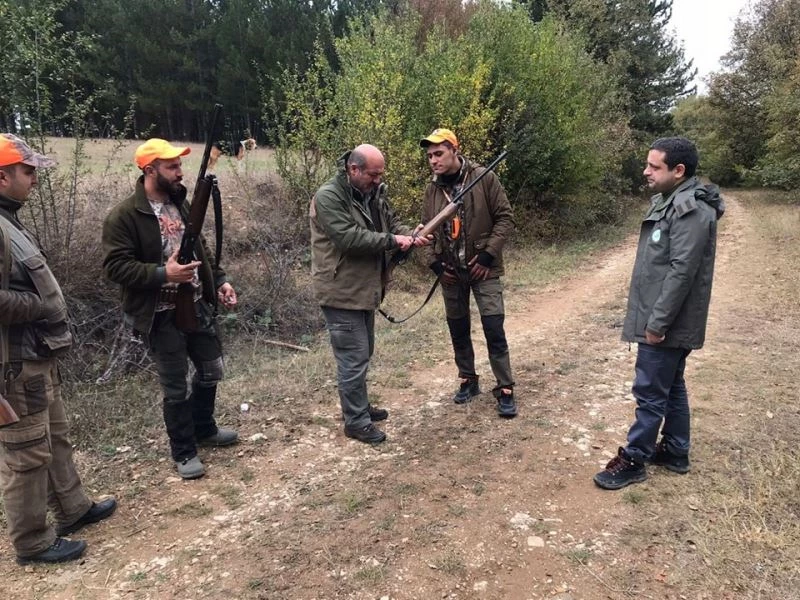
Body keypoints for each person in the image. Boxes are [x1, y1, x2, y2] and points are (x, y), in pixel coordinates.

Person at [0, 133, 116, 565]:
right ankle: (32, 542)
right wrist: (38, 305)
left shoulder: (9, 219)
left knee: (55, 437)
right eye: (27, 171)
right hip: (12, 364)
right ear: (1, 175)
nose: (34, 179)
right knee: (26, 454)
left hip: (36, 356)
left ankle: (73, 509)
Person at [102, 139, 238, 480]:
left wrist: (218, 280)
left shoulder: (181, 202)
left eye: (180, 165)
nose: (180, 172)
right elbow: (116, 267)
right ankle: (184, 451)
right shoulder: (124, 216)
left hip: (194, 303)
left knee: (212, 368)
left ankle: (204, 428)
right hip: (159, 314)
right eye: (172, 167)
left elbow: (200, 247)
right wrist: (165, 274)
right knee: (175, 385)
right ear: (150, 170)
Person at [594, 137, 725, 490]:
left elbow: (682, 271)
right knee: (671, 385)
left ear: (678, 171)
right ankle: (676, 451)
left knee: (651, 391)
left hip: (667, 322)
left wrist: (657, 324)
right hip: (667, 319)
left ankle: (635, 458)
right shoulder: (673, 201)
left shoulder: (690, 210)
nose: (646, 171)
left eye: (654, 166)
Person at [309, 144, 428, 444]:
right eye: (373, 175)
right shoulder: (328, 197)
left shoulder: (372, 192)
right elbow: (349, 238)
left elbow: (391, 222)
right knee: (353, 357)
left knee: (363, 353)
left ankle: (359, 407)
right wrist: (394, 240)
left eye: (380, 175)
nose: (378, 180)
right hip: (341, 291)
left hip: (365, 289)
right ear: (354, 170)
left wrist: (410, 236)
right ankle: (356, 422)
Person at [419, 128, 517, 417]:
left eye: (439, 153)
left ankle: (505, 387)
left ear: (454, 150)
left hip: (483, 269)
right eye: (429, 156)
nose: (433, 160)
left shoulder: (484, 177)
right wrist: (436, 265)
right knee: (458, 328)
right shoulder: (432, 189)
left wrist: (487, 256)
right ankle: (468, 380)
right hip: (451, 272)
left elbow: (505, 217)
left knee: (493, 328)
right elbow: (426, 230)